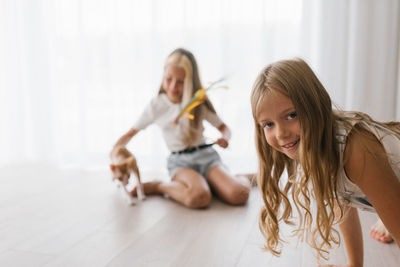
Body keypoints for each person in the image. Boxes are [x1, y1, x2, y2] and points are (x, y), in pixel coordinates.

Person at [250, 58, 400, 266]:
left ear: (315, 104)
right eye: (268, 124)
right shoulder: (314, 149)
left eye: (292, 115)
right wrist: (354, 264)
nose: (281, 133)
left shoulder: (355, 149)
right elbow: (344, 206)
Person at [111, 48, 251, 209]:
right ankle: (158, 186)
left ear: (190, 81)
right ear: (163, 76)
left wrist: (225, 139)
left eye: (180, 81)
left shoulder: (198, 102)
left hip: (208, 158)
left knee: (239, 194)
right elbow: (131, 133)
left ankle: (232, 179)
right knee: (199, 197)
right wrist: (115, 151)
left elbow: (224, 128)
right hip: (180, 162)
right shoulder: (157, 105)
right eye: (169, 79)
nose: (173, 86)